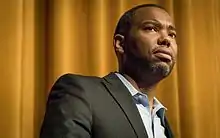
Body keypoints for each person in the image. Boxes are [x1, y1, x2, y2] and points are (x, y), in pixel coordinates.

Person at [40, 3, 177, 138]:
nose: (166, 39)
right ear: (120, 44)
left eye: (172, 34)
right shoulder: (80, 92)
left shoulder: (162, 122)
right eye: (151, 28)